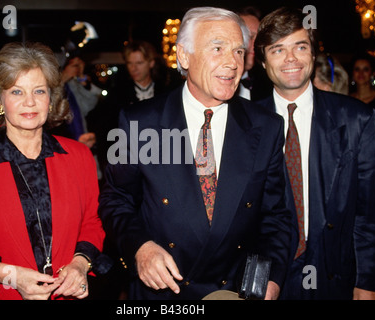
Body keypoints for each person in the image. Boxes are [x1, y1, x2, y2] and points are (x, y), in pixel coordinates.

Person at [98, 6, 291, 300]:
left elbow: (276, 218)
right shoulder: (139, 122)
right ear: (184, 56)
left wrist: (270, 280)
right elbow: (116, 200)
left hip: (234, 291)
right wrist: (140, 248)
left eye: (239, 51)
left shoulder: (266, 126)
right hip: (164, 293)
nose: (232, 62)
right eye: (218, 48)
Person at [0, 42, 110, 300]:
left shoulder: (79, 157)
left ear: (51, 99)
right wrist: (11, 276)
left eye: (39, 91)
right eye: (17, 92)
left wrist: (80, 264)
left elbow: (91, 223)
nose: (29, 102)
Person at [255, 7, 375, 299]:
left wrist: (369, 282)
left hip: (337, 275)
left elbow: (371, 212)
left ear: (313, 54)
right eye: (277, 50)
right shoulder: (244, 123)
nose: (291, 59)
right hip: (269, 279)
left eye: (300, 46)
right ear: (262, 61)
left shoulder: (357, 120)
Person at [236, 6, 273, 101]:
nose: (256, 44)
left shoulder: (268, 85)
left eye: (258, 38)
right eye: (250, 37)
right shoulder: (216, 85)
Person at [349, 52, 375, 118]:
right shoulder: (347, 99)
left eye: (365, 69)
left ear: (373, 73)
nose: (361, 73)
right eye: (357, 69)